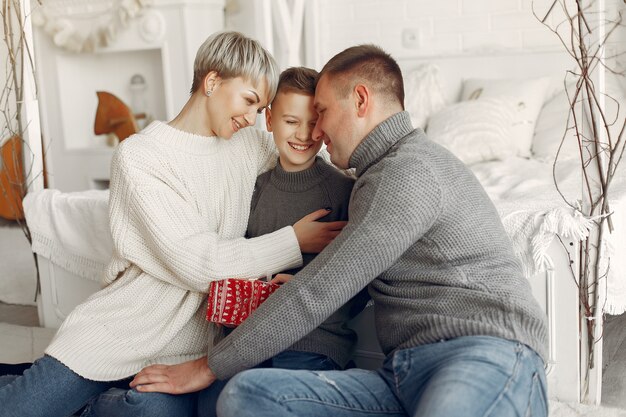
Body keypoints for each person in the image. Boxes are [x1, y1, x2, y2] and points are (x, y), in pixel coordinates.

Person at [131, 43, 549, 417]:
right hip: (399, 376)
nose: (316, 132)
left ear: (361, 100)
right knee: (245, 396)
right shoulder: (369, 179)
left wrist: (207, 367)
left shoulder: (408, 171)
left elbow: (318, 291)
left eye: (323, 113)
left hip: (481, 354)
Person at [0, 31, 346, 417]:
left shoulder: (248, 144)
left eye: (260, 108)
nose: (252, 119)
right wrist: (293, 241)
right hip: (119, 332)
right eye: (249, 101)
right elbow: (199, 262)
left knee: (147, 412)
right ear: (212, 82)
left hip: (191, 354)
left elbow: (298, 151)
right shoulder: (140, 156)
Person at [193, 65, 369, 417]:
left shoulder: (342, 190)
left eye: (312, 121)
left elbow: (361, 282)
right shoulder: (254, 189)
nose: (304, 134)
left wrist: (302, 286)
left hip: (313, 340)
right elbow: (235, 257)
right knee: (210, 406)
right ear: (269, 120)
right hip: (247, 337)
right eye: (291, 121)